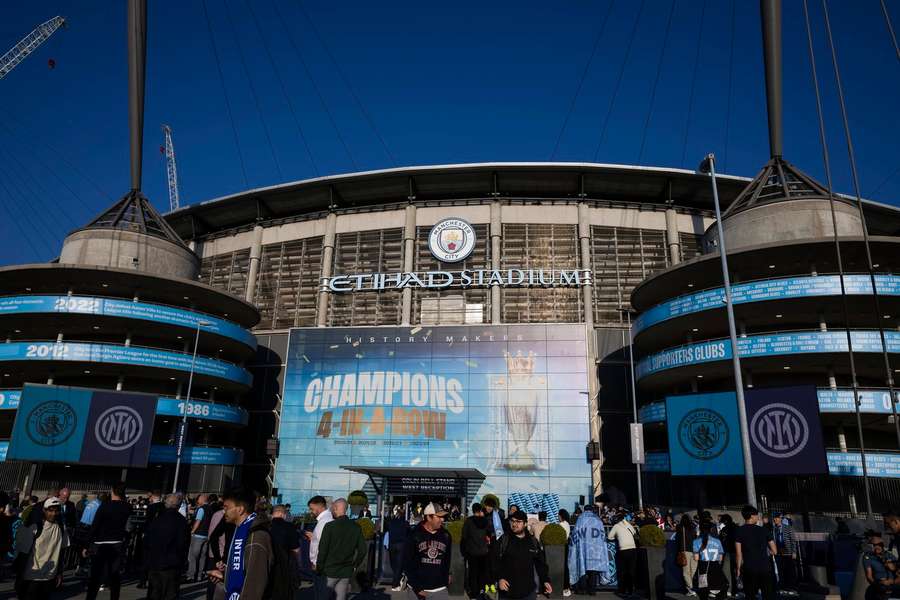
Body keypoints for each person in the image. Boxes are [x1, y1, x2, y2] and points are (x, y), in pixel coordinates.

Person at [207, 487, 272, 600]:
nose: (224, 511)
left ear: (240, 509)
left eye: (226, 507)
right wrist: (226, 576)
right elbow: (243, 569)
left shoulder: (256, 536)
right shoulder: (241, 529)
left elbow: (255, 582)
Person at [13, 497, 69, 600]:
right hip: (31, 576)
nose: (53, 514)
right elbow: (23, 553)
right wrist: (19, 577)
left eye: (56, 511)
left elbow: (62, 551)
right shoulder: (34, 527)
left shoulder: (61, 528)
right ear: (44, 510)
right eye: (50, 510)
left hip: (49, 576)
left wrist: (60, 573)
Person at [85, 482, 132, 600]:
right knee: (114, 576)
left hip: (100, 544)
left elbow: (95, 526)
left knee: (95, 577)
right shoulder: (127, 507)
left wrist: (86, 544)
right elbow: (129, 527)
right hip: (117, 542)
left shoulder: (105, 506)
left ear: (113, 491)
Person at [492, 509, 551, 600]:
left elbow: (540, 563)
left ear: (525, 524)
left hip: (528, 593)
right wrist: (500, 578)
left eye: (518, 522)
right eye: (512, 521)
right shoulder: (504, 540)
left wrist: (545, 580)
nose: (514, 524)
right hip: (507, 592)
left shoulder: (533, 542)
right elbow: (494, 562)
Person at [316, 498, 367, 600]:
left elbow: (323, 549)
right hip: (346, 570)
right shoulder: (356, 527)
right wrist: (355, 565)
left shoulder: (330, 526)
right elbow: (363, 550)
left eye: (332, 508)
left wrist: (319, 568)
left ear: (335, 508)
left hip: (329, 570)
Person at [144, 494, 190, 600]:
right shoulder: (181, 521)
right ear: (178, 506)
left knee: (154, 593)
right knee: (170, 594)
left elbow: (147, 540)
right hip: (172, 564)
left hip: (155, 561)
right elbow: (183, 544)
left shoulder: (157, 519)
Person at [403, 502, 452, 600]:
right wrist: (417, 587)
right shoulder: (414, 535)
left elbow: (447, 559)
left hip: (439, 589)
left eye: (443, 517)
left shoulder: (446, 535)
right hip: (417, 590)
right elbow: (407, 563)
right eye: (438, 517)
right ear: (429, 517)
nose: (442, 520)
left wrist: (448, 574)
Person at [735, 505, 776, 600]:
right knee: (767, 595)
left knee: (750, 595)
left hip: (749, 568)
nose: (758, 517)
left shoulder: (739, 531)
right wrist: (764, 554)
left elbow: (739, 553)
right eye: (757, 515)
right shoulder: (764, 530)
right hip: (765, 567)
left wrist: (738, 569)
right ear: (752, 516)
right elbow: (774, 550)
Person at [461, 503, 491, 599]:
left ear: (473, 510)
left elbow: (464, 536)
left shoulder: (469, 521)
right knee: (482, 573)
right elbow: (489, 533)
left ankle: (474, 593)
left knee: (473, 573)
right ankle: (481, 591)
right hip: (484, 552)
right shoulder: (485, 521)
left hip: (472, 552)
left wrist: (464, 551)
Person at [306, 495, 333, 600]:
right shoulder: (325, 520)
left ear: (320, 506)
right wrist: (313, 537)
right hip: (321, 564)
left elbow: (324, 545)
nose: (311, 511)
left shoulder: (324, 521)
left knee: (321, 594)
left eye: (312, 509)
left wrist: (316, 563)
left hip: (320, 565)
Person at [607, 510, 639, 597]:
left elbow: (609, 537)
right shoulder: (628, 524)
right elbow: (635, 533)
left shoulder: (616, 526)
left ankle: (622, 590)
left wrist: (617, 537)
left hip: (623, 550)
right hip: (633, 549)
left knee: (623, 571)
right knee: (631, 570)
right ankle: (631, 590)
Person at [693, 520, 726, 600]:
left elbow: (696, 558)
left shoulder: (696, 541)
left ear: (700, 529)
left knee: (703, 593)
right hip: (715, 568)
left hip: (703, 568)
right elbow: (720, 558)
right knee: (718, 589)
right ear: (711, 529)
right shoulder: (717, 541)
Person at [864, 536, 900, 600]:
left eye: (879, 545)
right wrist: (879, 584)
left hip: (893, 585)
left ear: (882, 545)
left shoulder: (889, 555)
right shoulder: (868, 557)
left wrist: (893, 568)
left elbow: (897, 570)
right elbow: (869, 576)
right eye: (874, 545)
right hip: (879, 586)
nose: (877, 547)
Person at [188, 494, 212, 582]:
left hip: (198, 535)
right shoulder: (210, 509)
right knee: (203, 556)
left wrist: (192, 531)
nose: (198, 501)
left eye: (198, 499)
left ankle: (191, 575)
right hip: (206, 535)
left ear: (202, 500)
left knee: (193, 556)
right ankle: (199, 575)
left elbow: (198, 520)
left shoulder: (201, 509)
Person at [771, 512, 797, 592]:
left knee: (789, 569)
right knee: (780, 569)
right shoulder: (774, 529)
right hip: (778, 552)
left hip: (788, 552)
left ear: (780, 519)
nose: (775, 519)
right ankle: (782, 585)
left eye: (777, 517)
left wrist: (794, 552)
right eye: (774, 518)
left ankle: (791, 586)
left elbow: (793, 540)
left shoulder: (788, 527)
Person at [388, 506, 410, 591]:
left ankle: (397, 580)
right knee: (399, 565)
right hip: (401, 545)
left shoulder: (392, 522)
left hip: (392, 544)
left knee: (394, 564)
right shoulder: (405, 523)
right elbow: (409, 533)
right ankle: (395, 584)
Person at [676, 513, 699, 596]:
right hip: (694, 551)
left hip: (684, 551)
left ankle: (690, 588)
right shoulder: (694, 527)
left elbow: (677, 540)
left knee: (686, 571)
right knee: (693, 570)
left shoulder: (679, 527)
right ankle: (691, 587)